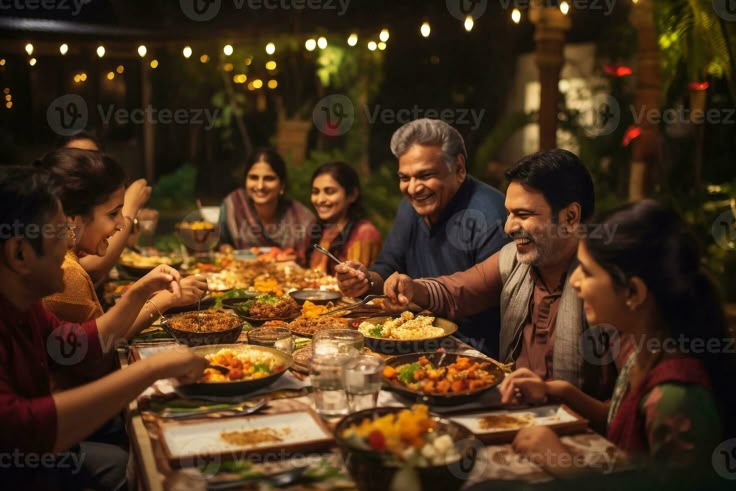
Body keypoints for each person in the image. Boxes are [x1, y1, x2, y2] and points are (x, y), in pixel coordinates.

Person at [0, 166, 208, 490]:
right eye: (58, 232)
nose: (69, 242)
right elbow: (27, 430)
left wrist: (139, 293)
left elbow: (78, 343)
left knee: (141, 461)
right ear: (19, 253)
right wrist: (153, 368)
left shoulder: (24, 305)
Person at [501, 200, 735, 479]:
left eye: (587, 272)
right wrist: (559, 391)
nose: (574, 281)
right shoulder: (643, 352)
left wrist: (565, 464)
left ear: (633, 293)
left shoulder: (677, 396)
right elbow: (619, 421)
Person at [383, 149, 618, 399]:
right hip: (510, 410)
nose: (508, 227)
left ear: (570, 217)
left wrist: (559, 394)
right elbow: (456, 292)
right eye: (509, 213)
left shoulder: (607, 284)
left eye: (523, 215)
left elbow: (622, 414)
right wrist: (413, 288)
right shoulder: (513, 260)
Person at [335, 119, 508, 356]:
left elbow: (482, 292)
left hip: (474, 351)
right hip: (413, 340)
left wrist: (417, 292)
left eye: (425, 175)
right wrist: (365, 280)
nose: (414, 188)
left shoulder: (490, 214)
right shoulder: (412, 207)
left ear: (459, 168)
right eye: (404, 178)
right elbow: (388, 267)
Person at [37, 149, 206, 333]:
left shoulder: (66, 260)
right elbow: (102, 345)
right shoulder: (67, 273)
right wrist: (165, 298)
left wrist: (144, 290)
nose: (121, 224)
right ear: (73, 219)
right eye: (113, 214)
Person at [55, 129, 153, 285]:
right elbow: (92, 267)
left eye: (93, 158)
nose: (87, 168)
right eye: (78, 159)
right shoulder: (66, 267)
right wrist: (130, 206)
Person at [219, 148, 316, 263]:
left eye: (269, 178)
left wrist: (295, 258)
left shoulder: (302, 218)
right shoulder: (233, 206)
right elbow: (222, 244)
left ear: (282, 184)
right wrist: (229, 252)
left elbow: (309, 260)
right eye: (253, 178)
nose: (260, 186)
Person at [306, 161, 382, 275]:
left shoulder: (364, 233)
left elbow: (356, 283)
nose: (320, 199)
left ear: (352, 195)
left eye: (330, 192)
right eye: (315, 192)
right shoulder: (321, 228)